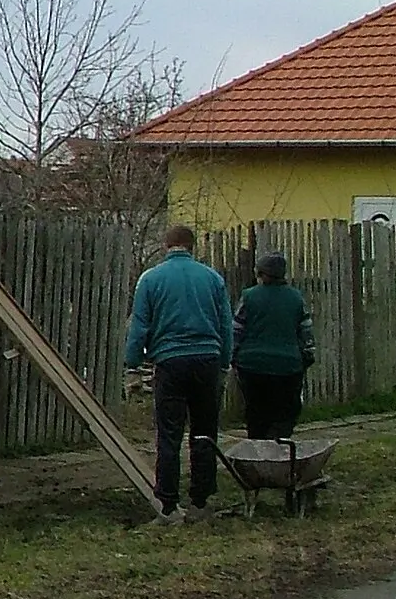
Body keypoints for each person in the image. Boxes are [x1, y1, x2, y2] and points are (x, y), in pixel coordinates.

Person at [124, 224, 233, 522]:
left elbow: (140, 326)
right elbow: (226, 324)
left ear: (166, 245)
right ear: (192, 247)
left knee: (169, 434)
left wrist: (132, 365)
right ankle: (200, 500)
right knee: (204, 432)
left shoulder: (151, 279)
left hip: (170, 362)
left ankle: (169, 504)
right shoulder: (212, 278)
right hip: (207, 360)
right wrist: (224, 361)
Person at [232, 252, 315, 439]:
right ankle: (279, 448)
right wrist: (306, 357)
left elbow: (236, 329)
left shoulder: (249, 296)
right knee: (286, 413)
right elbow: (306, 332)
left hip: (252, 365)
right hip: (288, 366)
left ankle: (259, 454)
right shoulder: (295, 298)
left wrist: (233, 357)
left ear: (260, 274)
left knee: (256, 414)